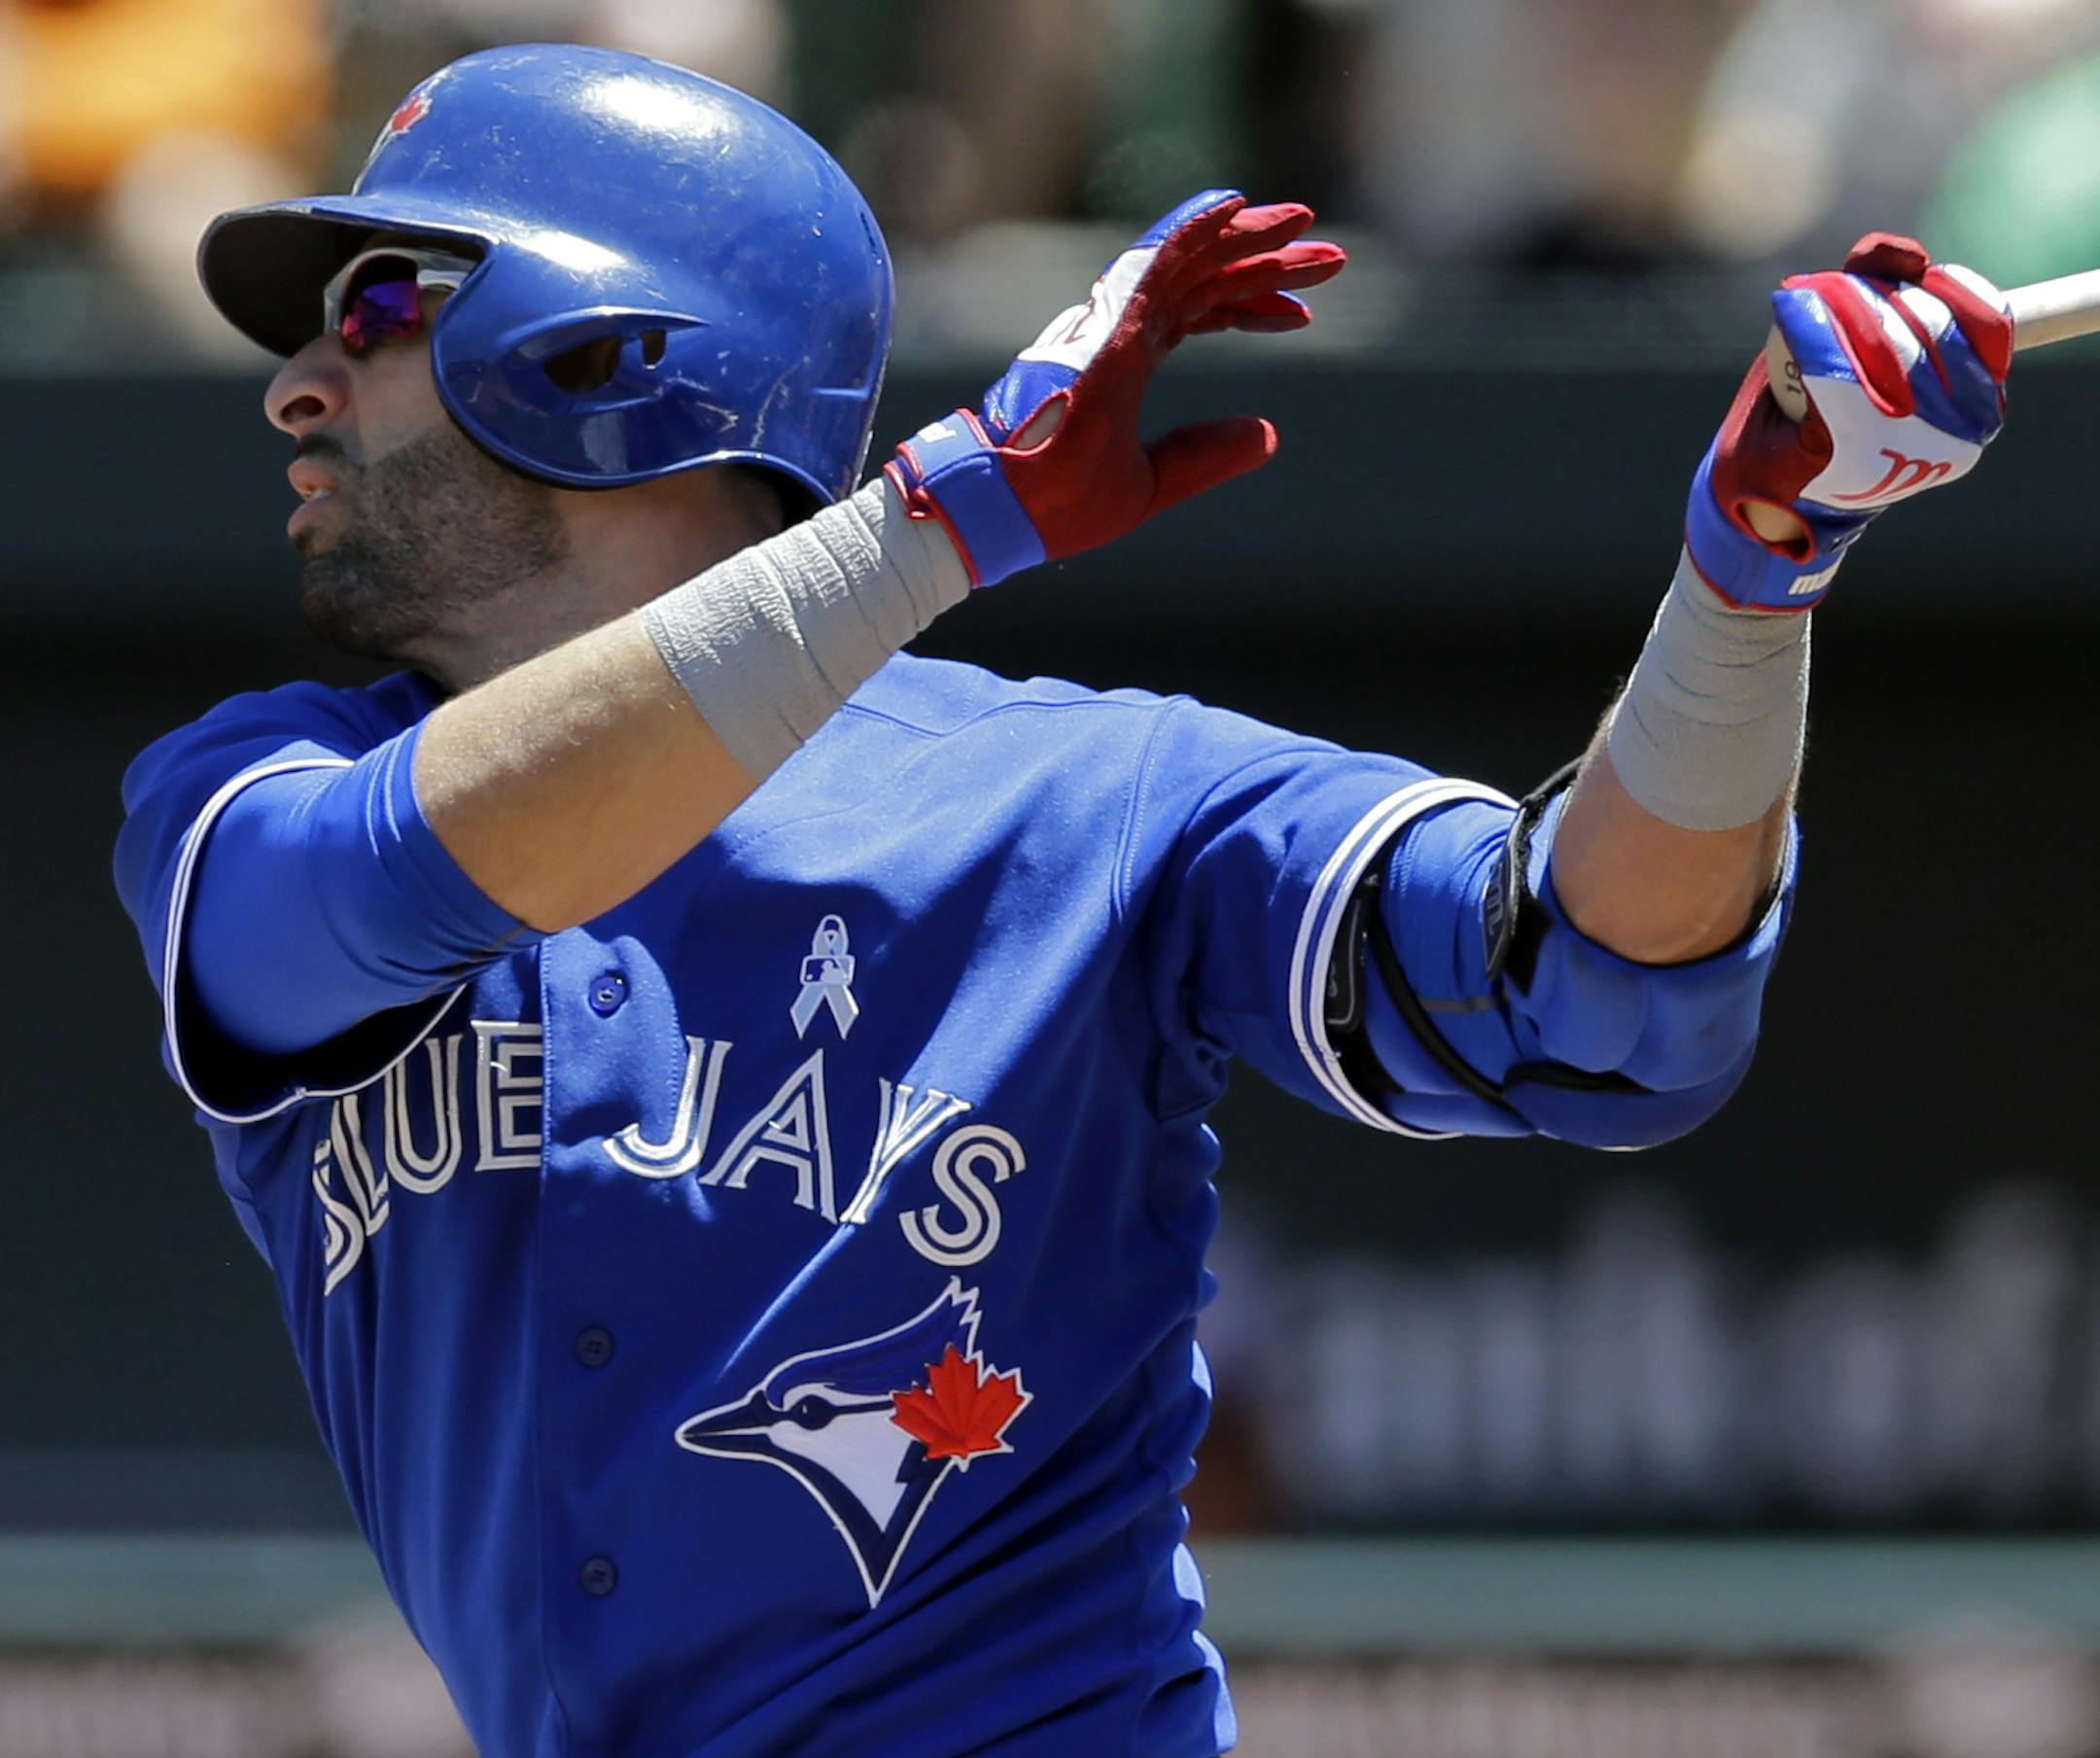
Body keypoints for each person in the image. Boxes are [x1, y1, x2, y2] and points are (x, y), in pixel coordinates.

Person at [112, 42, 2011, 1758]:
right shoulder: (259, 787)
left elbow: (1590, 985)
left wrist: (1749, 584)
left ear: (608, 352)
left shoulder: (1087, 795)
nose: (292, 385)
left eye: (373, 306)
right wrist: (943, 518)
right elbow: (375, 887)